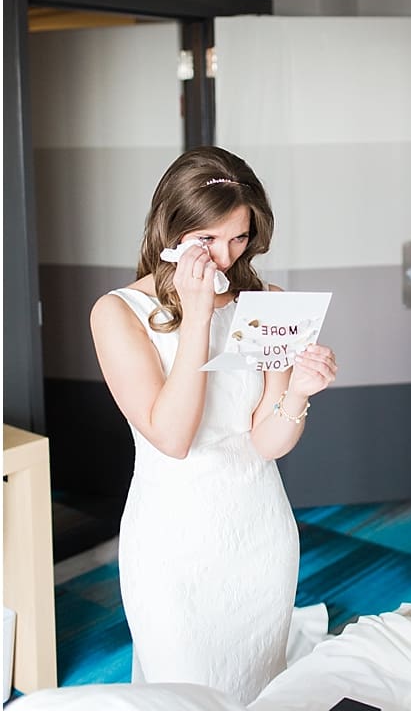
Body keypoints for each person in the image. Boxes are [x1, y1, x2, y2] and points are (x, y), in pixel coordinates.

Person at [90, 146, 339, 705]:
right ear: (170, 231)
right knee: (184, 693)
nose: (224, 258)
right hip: (172, 543)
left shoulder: (266, 303)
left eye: (238, 238)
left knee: (257, 687)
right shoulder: (116, 313)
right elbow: (172, 438)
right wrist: (198, 314)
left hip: (259, 534)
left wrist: (297, 392)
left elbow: (266, 442)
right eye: (206, 239)